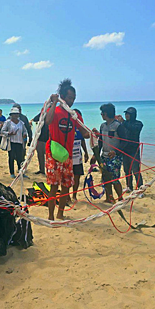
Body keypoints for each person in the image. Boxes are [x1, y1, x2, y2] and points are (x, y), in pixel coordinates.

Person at [45, 79, 89, 220]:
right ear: (63, 97)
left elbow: (85, 134)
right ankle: (51, 216)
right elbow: (48, 121)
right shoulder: (55, 111)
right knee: (53, 186)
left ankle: (60, 214)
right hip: (53, 153)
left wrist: (92, 132)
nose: (72, 101)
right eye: (70, 98)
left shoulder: (74, 115)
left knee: (65, 186)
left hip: (68, 155)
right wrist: (53, 103)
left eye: (74, 99)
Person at [93, 103, 123, 203]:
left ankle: (120, 198)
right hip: (104, 156)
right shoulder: (103, 126)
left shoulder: (118, 126)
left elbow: (124, 142)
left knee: (115, 179)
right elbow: (101, 141)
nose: (101, 115)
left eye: (102, 113)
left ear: (105, 114)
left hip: (115, 158)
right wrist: (95, 155)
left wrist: (116, 152)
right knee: (105, 178)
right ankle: (109, 197)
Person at [117, 107, 144, 192]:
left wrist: (123, 122)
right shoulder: (123, 124)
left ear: (133, 115)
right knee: (126, 170)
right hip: (125, 150)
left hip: (134, 151)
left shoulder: (138, 124)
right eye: (126, 114)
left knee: (136, 170)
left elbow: (133, 129)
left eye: (128, 114)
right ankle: (129, 187)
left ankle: (140, 188)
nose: (126, 115)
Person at [1, 107, 28, 178]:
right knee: (11, 157)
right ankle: (12, 173)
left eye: (17, 114)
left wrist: (25, 134)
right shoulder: (8, 122)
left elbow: (25, 131)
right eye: (14, 114)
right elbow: (2, 131)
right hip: (11, 143)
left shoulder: (21, 123)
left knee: (20, 158)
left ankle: (20, 172)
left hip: (19, 142)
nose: (16, 116)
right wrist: (9, 133)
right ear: (11, 115)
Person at [71, 109, 89, 202]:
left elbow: (83, 140)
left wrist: (86, 152)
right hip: (68, 156)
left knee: (77, 176)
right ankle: (66, 196)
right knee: (68, 177)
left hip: (77, 155)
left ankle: (74, 195)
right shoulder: (68, 126)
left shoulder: (80, 128)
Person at [32, 111, 49, 175]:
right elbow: (35, 119)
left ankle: (48, 171)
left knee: (48, 157)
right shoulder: (41, 117)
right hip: (40, 139)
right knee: (40, 155)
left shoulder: (52, 116)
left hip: (48, 140)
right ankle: (42, 170)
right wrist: (42, 113)